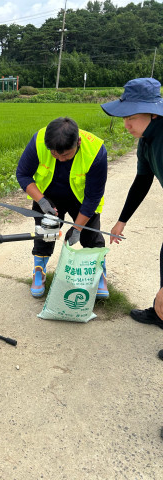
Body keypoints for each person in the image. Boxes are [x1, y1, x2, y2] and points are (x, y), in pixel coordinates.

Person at [16, 116, 109, 298]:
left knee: (90, 235)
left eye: (66, 154)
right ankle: (39, 271)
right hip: (48, 196)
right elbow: (23, 174)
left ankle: (99, 273)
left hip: (81, 198)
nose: (60, 159)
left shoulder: (96, 151)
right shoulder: (39, 141)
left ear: (78, 142)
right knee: (45, 233)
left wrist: (77, 228)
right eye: (54, 154)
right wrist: (41, 201)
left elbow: (93, 197)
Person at [101, 77, 163, 334]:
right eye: (123, 117)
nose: (126, 124)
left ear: (153, 113)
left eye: (132, 117)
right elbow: (142, 180)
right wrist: (122, 220)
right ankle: (161, 313)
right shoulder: (147, 138)